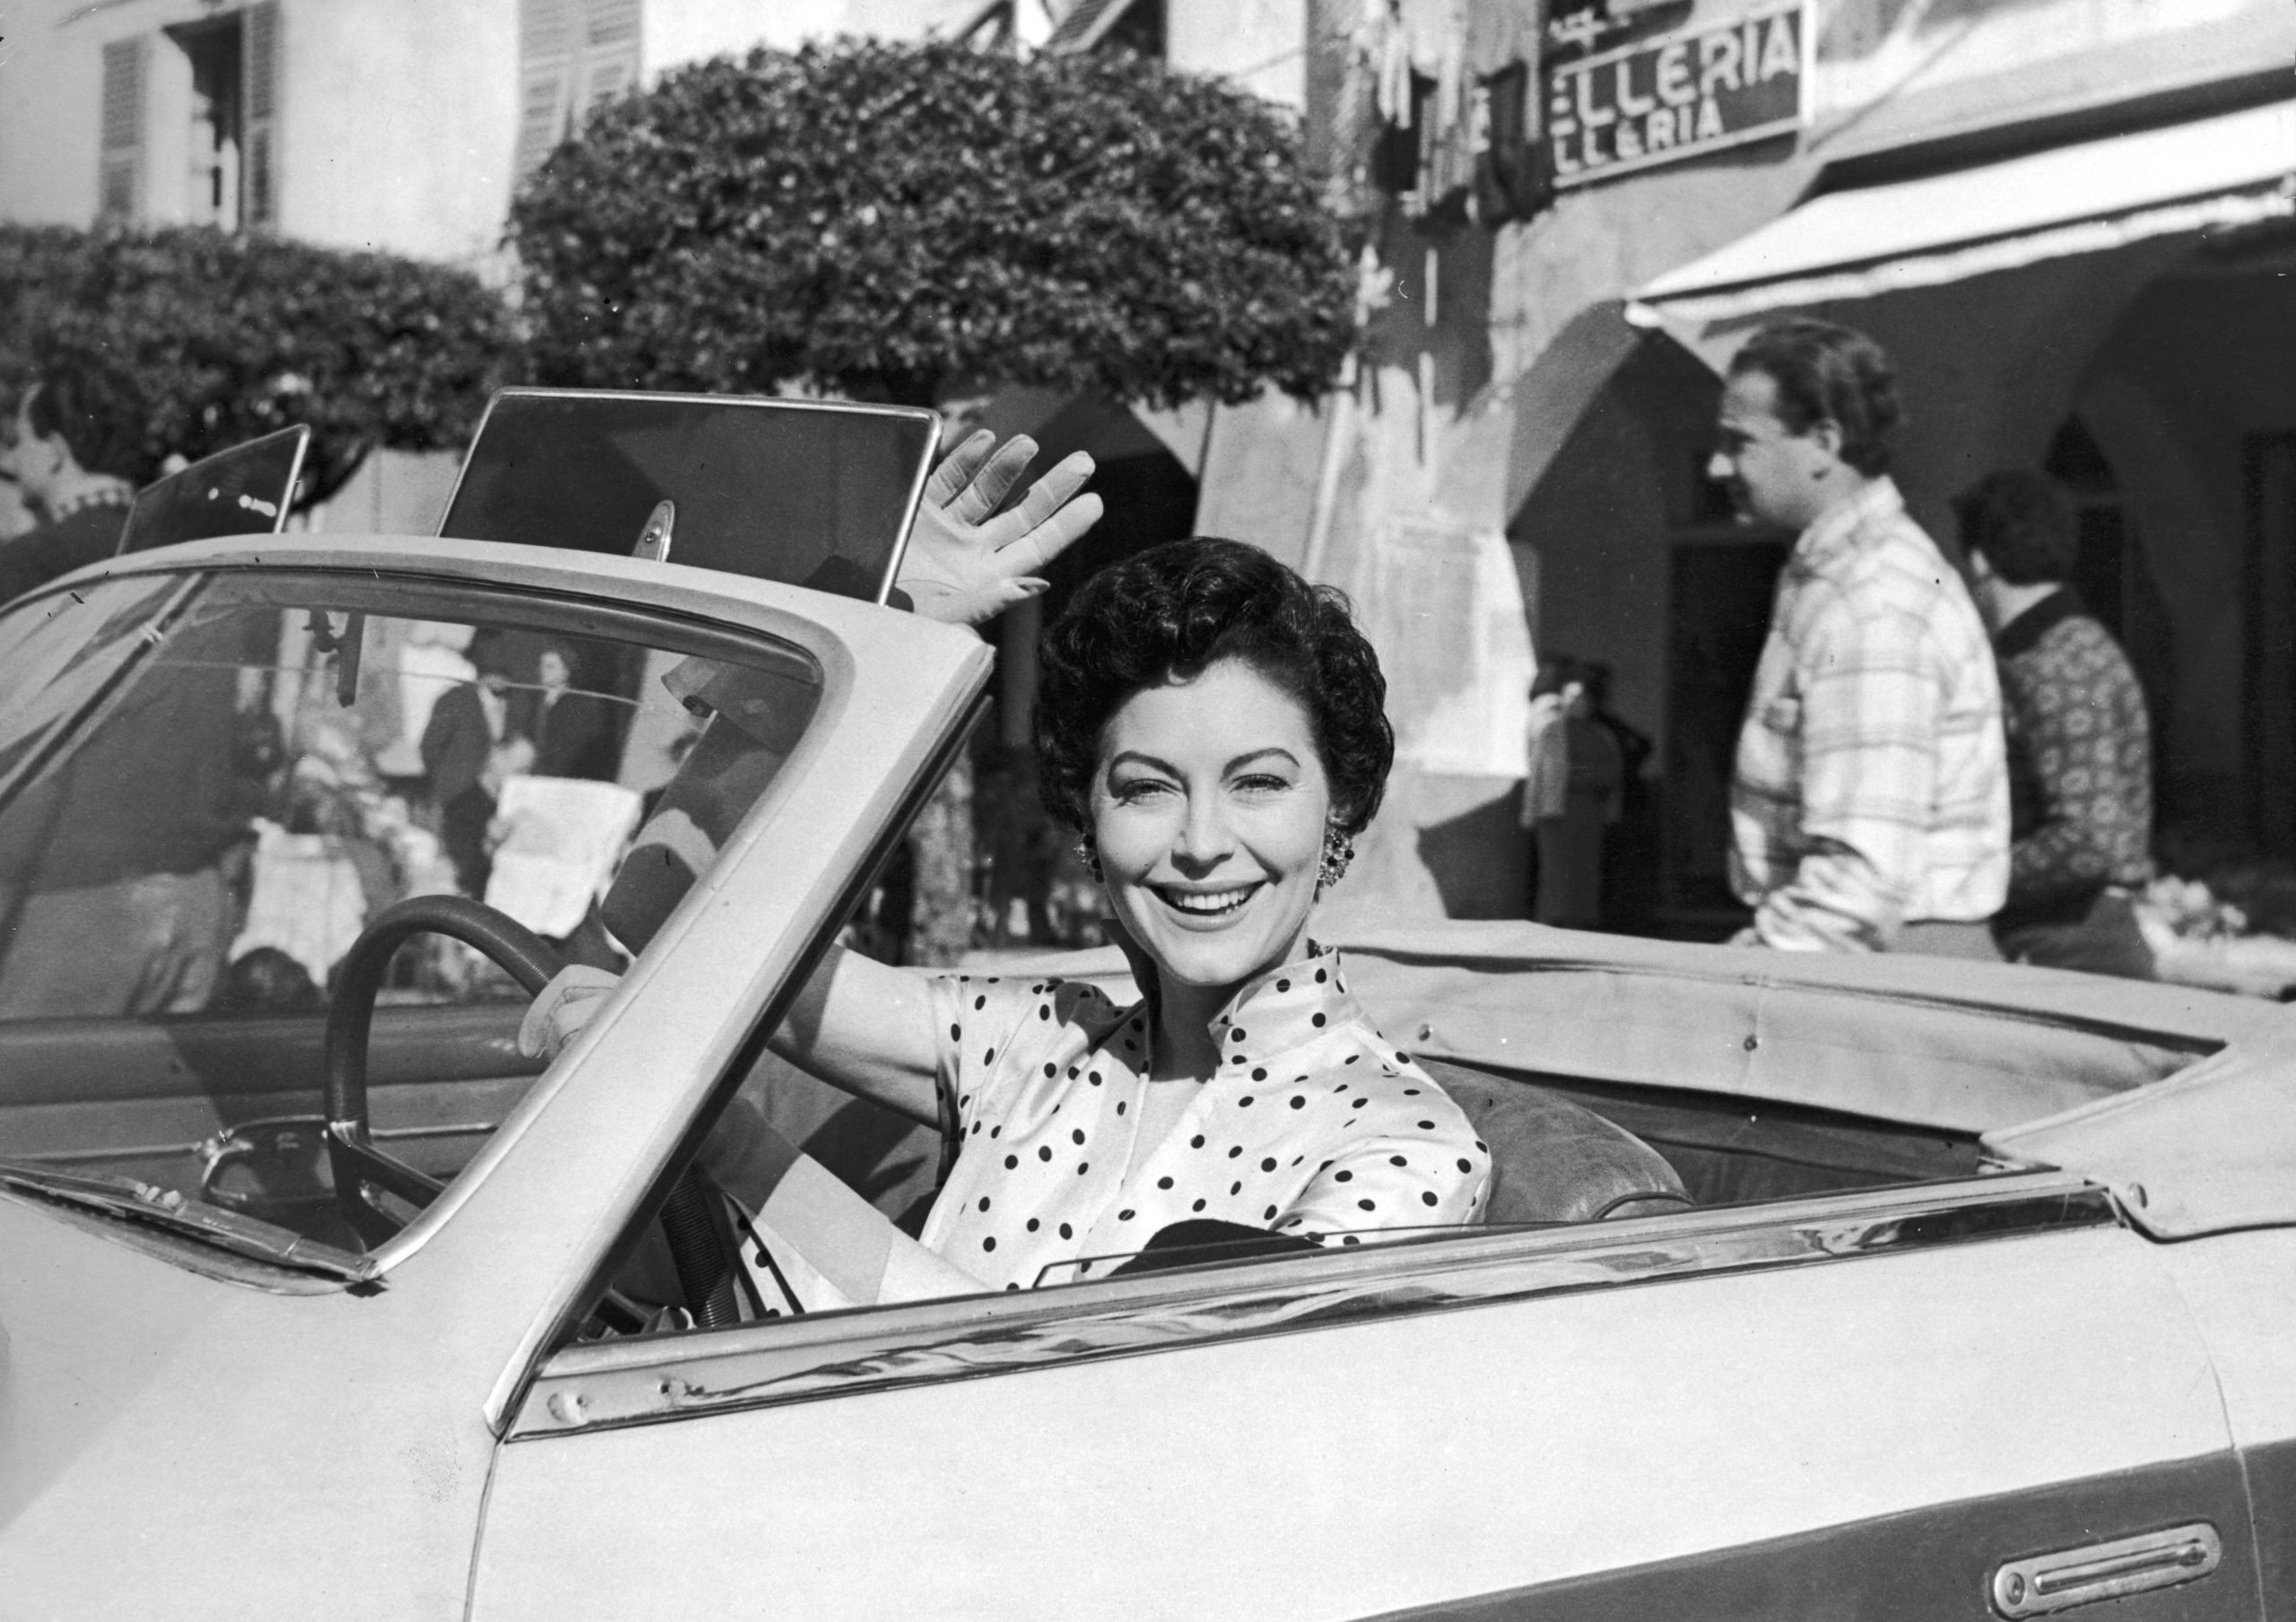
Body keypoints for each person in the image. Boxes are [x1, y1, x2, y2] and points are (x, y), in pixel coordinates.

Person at [526, 448, 1489, 1293]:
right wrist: (881, 630)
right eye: (1148, 789)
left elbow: (1068, 1407)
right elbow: (664, 906)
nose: (1201, 842)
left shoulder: (1400, 1144)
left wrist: (727, 1143)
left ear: (1342, 809)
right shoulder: (1031, 1041)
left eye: (1259, 783)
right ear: (1085, 820)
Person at [1710, 318, 2009, 957]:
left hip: (1893, 980)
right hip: (1866, 967)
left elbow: (1854, 892)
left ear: (1823, 442)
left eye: (1740, 443)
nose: (1717, 464)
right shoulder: (1832, 579)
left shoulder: (1873, 602)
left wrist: (1722, 985)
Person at [1956, 470, 2156, 977]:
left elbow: (2087, 842)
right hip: (2086, 939)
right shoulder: (2079, 642)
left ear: (1979, 559)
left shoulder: (2050, 661)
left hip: (2073, 946)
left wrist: (1962, 875)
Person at [0, 373, 138, 603]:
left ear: (55, 450)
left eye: (18, 442)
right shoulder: (165, 532)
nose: (9, 460)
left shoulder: (24, 561)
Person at [421, 631, 529, 898]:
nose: (500, 679)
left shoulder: (514, 707)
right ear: (481, 671)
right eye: (494, 671)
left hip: (492, 802)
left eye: (506, 673)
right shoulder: (455, 700)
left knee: (483, 872)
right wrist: (449, 781)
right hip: (456, 797)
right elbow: (430, 747)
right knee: (454, 870)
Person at [1520, 656, 1622, 928]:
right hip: (1556, 810)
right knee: (1557, 875)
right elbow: (1549, 771)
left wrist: (1587, 776)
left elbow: (1611, 770)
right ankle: (1553, 926)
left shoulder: (1601, 735)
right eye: (1569, 695)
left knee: (1585, 873)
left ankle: (1581, 926)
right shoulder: (1553, 729)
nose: (1574, 702)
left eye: (1580, 696)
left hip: (1589, 812)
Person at [525, 641, 620, 780]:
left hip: (561, 779)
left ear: (566, 672)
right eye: (541, 665)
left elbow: (568, 749)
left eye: (550, 666)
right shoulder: (534, 701)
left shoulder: (580, 706)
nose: (542, 670)